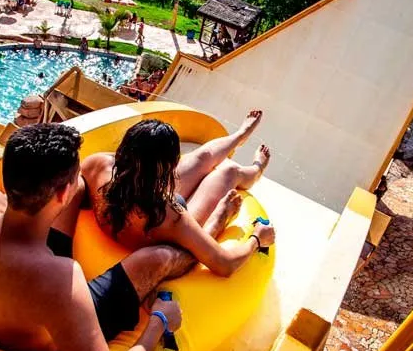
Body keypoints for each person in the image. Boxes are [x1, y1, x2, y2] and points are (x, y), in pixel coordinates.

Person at [0, 124, 191, 351]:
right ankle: (196, 237)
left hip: (2, 315)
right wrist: (159, 322)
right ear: (62, 194)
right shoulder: (60, 281)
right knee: (154, 258)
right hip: (48, 332)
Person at [81, 111, 275, 278]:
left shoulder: (97, 164)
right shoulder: (168, 215)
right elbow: (225, 265)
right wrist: (257, 238)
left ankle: (239, 136)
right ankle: (256, 170)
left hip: (136, 197)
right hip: (157, 221)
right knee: (229, 172)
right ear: (169, 168)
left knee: (202, 157)